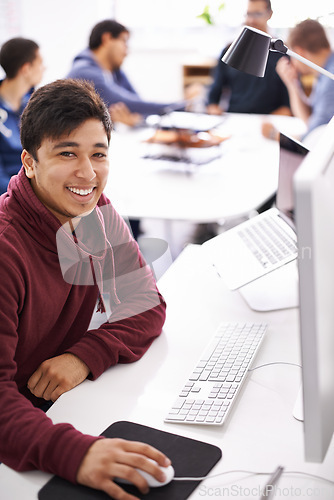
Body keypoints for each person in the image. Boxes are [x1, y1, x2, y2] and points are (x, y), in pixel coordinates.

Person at [0, 78, 170, 499]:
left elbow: (146, 306)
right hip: (19, 439)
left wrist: (83, 355)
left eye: (98, 154)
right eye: (67, 153)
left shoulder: (96, 214)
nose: (88, 173)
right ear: (30, 161)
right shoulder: (6, 250)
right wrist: (76, 455)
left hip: (60, 407)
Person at [67, 19, 183, 127]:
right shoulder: (85, 72)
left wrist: (137, 120)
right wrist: (180, 106)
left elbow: (137, 103)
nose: (127, 51)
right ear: (107, 39)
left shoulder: (114, 73)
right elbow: (131, 104)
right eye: (124, 41)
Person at [206, 0, 291, 116]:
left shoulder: (281, 55)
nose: (251, 20)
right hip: (235, 118)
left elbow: (287, 106)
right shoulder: (230, 51)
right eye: (248, 14)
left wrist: (268, 123)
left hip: (268, 121)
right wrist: (214, 110)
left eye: (257, 14)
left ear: (269, 14)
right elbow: (213, 98)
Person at [274, 19, 334, 138]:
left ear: (299, 53)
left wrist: (274, 134)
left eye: (292, 56)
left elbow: (314, 135)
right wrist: (292, 84)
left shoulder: (330, 80)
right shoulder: (323, 73)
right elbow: (309, 120)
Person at [0, 37, 45, 194]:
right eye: (40, 63)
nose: (44, 68)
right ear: (26, 69)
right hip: (13, 196)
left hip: (37, 185)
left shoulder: (33, 104)